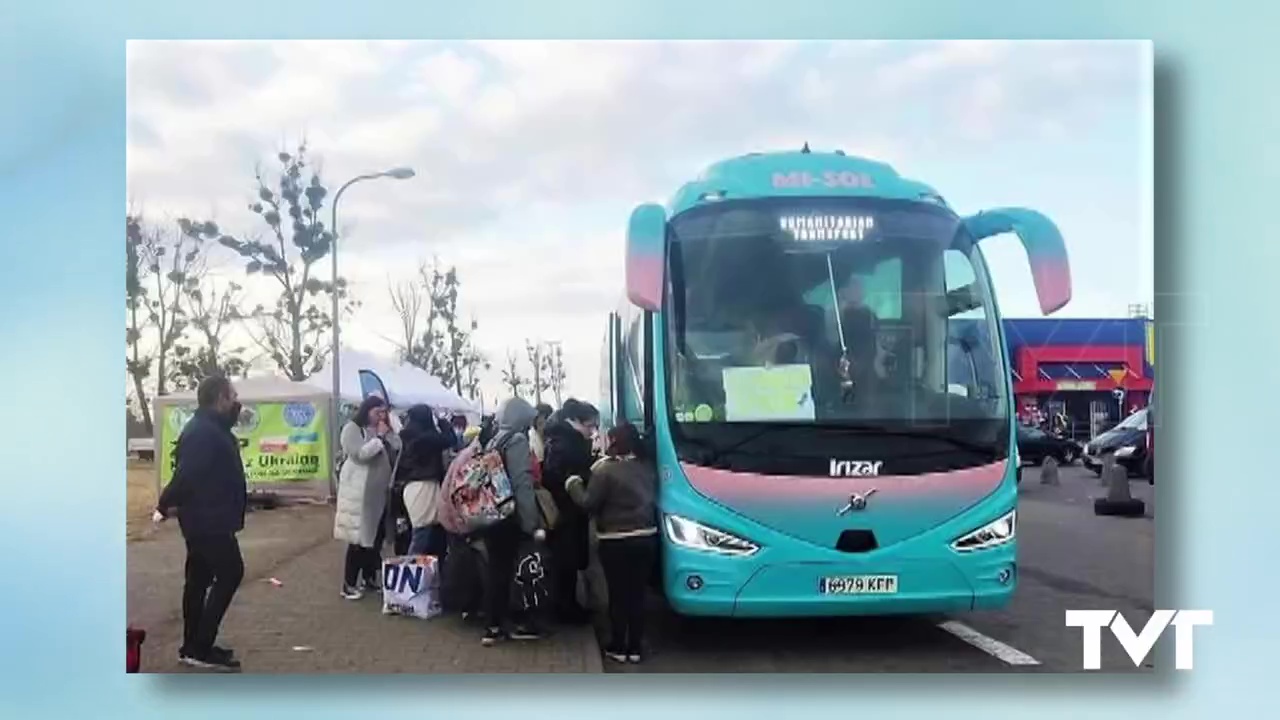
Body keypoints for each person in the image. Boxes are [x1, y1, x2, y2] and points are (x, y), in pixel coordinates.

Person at [153, 375, 247, 671]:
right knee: (231, 572)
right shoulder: (203, 433)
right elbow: (186, 474)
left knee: (199, 581)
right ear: (220, 399)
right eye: (233, 396)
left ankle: (192, 646)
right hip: (208, 521)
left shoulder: (212, 429)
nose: (236, 402)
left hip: (209, 518)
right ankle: (200, 645)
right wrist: (163, 503)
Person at [566, 422, 657, 664]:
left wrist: (573, 484)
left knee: (618, 595)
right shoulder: (647, 466)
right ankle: (635, 648)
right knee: (637, 595)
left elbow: (588, 503)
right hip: (646, 537)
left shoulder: (604, 471)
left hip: (615, 540)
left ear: (614, 441)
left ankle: (618, 645)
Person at [478, 397, 546, 646]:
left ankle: (492, 626)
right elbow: (522, 484)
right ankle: (517, 623)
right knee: (516, 571)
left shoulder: (493, 439)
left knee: (496, 570)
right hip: (510, 516)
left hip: (491, 513)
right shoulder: (516, 441)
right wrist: (532, 522)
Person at [333, 395, 402, 600]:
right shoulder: (351, 429)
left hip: (378, 494)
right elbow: (359, 455)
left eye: (383, 412)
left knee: (374, 539)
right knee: (358, 539)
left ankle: (369, 578)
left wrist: (390, 432)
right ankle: (349, 584)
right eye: (376, 412)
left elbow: (397, 446)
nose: (380, 416)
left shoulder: (380, 429)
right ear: (366, 411)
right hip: (359, 493)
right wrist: (379, 439)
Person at [541, 398, 600, 624]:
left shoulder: (560, 438)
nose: (593, 431)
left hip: (567, 513)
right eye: (590, 426)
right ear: (575, 421)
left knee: (568, 563)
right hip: (566, 513)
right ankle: (566, 610)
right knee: (566, 563)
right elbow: (562, 476)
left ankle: (569, 606)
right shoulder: (567, 444)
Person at [397, 404, 457, 557]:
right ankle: (411, 575)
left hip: (414, 488)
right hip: (424, 488)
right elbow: (450, 439)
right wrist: (442, 421)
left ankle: (421, 575)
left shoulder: (408, 436)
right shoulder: (426, 437)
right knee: (422, 537)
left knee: (426, 535)